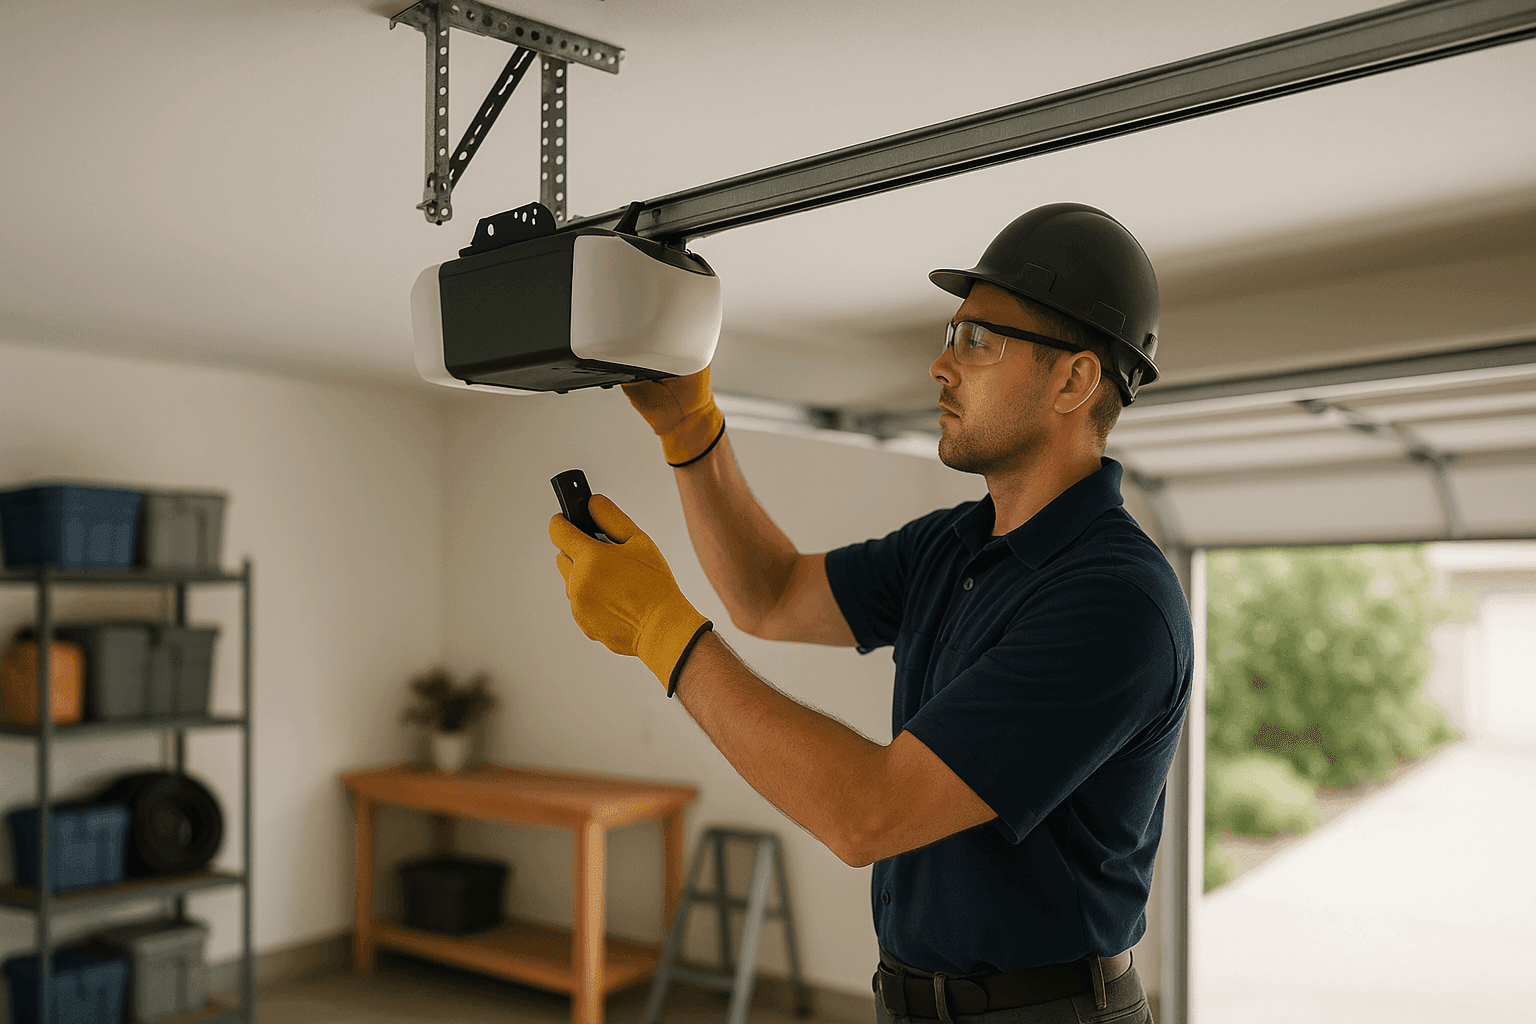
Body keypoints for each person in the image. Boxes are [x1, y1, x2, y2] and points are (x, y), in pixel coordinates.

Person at [549, 203, 1193, 1024]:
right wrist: (690, 430)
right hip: (910, 1000)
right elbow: (770, 594)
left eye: (978, 340)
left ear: (1074, 380)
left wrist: (657, 630)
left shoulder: (1113, 602)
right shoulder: (957, 545)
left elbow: (869, 813)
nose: (941, 365)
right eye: (951, 334)